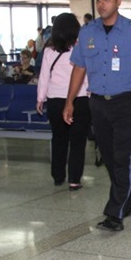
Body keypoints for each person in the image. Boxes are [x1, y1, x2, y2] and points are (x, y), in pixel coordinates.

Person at [63, 0, 131, 232]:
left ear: (118, 2)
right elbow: (79, 68)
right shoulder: (88, 32)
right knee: (109, 157)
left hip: (128, 103)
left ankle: (114, 213)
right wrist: (70, 101)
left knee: (123, 158)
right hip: (98, 104)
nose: (101, 3)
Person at [37, 13, 91, 191]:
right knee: (78, 141)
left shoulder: (49, 51)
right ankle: (74, 180)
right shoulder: (82, 49)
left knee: (58, 138)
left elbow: (44, 77)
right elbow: (88, 74)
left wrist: (40, 99)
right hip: (80, 99)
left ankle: (58, 176)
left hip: (55, 101)